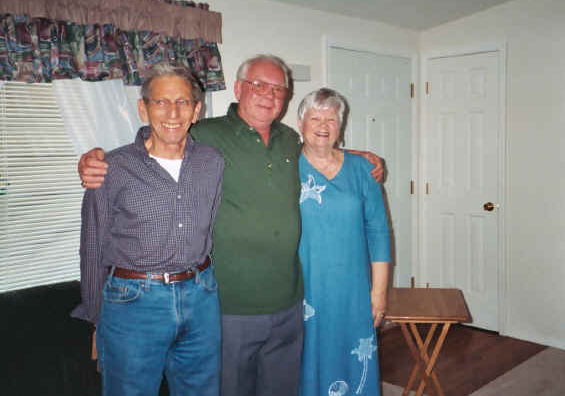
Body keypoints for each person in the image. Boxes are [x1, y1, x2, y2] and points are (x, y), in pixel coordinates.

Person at [78, 54, 384, 396]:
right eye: (258, 85)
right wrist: (94, 158)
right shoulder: (207, 136)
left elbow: (320, 148)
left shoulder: (283, 142)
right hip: (226, 305)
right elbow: (164, 135)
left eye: (277, 88)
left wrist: (360, 158)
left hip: (285, 302)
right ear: (238, 89)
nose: (268, 94)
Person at [71, 62, 225, 396]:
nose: (173, 112)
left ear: (196, 110)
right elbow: (92, 245)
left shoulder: (212, 162)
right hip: (133, 302)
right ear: (143, 108)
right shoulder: (111, 168)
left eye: (183, 102)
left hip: (201, 296)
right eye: (161, 102)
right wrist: (97, 319)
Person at [296, 88, 390, 396]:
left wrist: (378, 293)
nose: (323, 126)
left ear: (341, 125)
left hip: (353, 289)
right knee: (308, 361)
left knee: (354, 360)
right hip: (304, 289)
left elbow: (378, 232)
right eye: (315, 118)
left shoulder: (363, 169)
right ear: (300, 124)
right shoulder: (286, 166)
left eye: (331, 119)